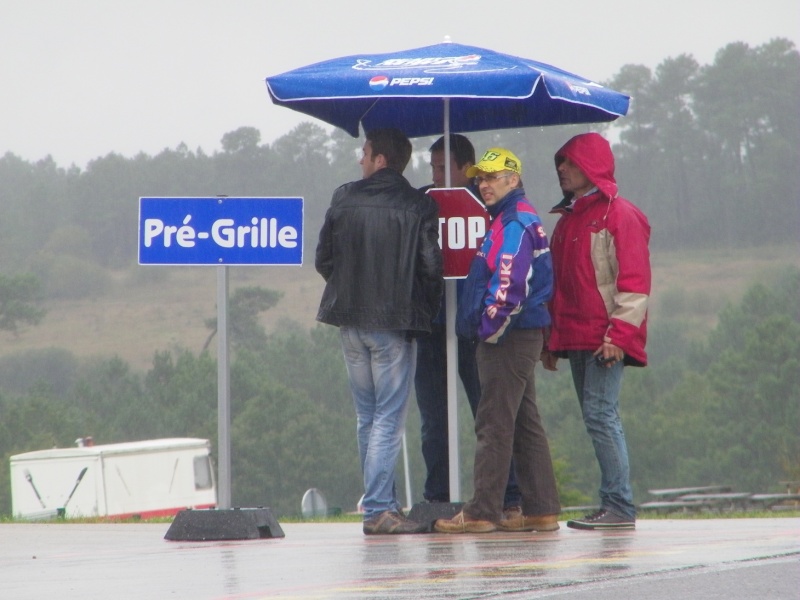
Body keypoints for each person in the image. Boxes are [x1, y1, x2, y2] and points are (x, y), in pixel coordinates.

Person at [315, 128, 443, 535]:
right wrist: (422, 311)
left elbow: (324, 259)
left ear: (381, 159)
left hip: (349, 321)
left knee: (366, 416)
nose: (360, 159)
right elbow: (430, 269)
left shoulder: (343, 198)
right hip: (393, 325)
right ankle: (377, 510)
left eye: (364, 152)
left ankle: (382, 505)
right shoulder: (418, 206)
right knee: (388, 417)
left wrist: (348, 289)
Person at [434, 147, 561, 534]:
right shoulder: (509, 218)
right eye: (480, 179)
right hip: (521, 335)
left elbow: (510, 286)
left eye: (492, 177)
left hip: (507, 339)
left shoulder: (514, 222)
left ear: (514, 179)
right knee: (524, 423)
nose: (484, 184)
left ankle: (480, 513)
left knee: (493, 424)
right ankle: (540, 509)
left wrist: (489, 331)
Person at [541, 132, 651, 530]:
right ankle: (613, 503)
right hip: (575, 338)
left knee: (601, 416)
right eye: (560, 162)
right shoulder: (569, 219)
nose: (561, 169)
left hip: (605, 340)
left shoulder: (619, 215)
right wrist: (550, 340)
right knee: (596, 417)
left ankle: (619, 505)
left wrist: (618, 337)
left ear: (590, 165)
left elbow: (635, 283)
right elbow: (558, 287)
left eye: (569, 162)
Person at [415, 134, 521, 512]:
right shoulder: (422, 205)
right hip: (430, 329)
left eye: (444, 168)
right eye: (432, 168)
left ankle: (507, 495)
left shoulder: (489, 211)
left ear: (466, 168)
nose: (436, 176)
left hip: (475, 330)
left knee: (489, 416)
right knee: (433, 421)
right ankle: (438, 497)